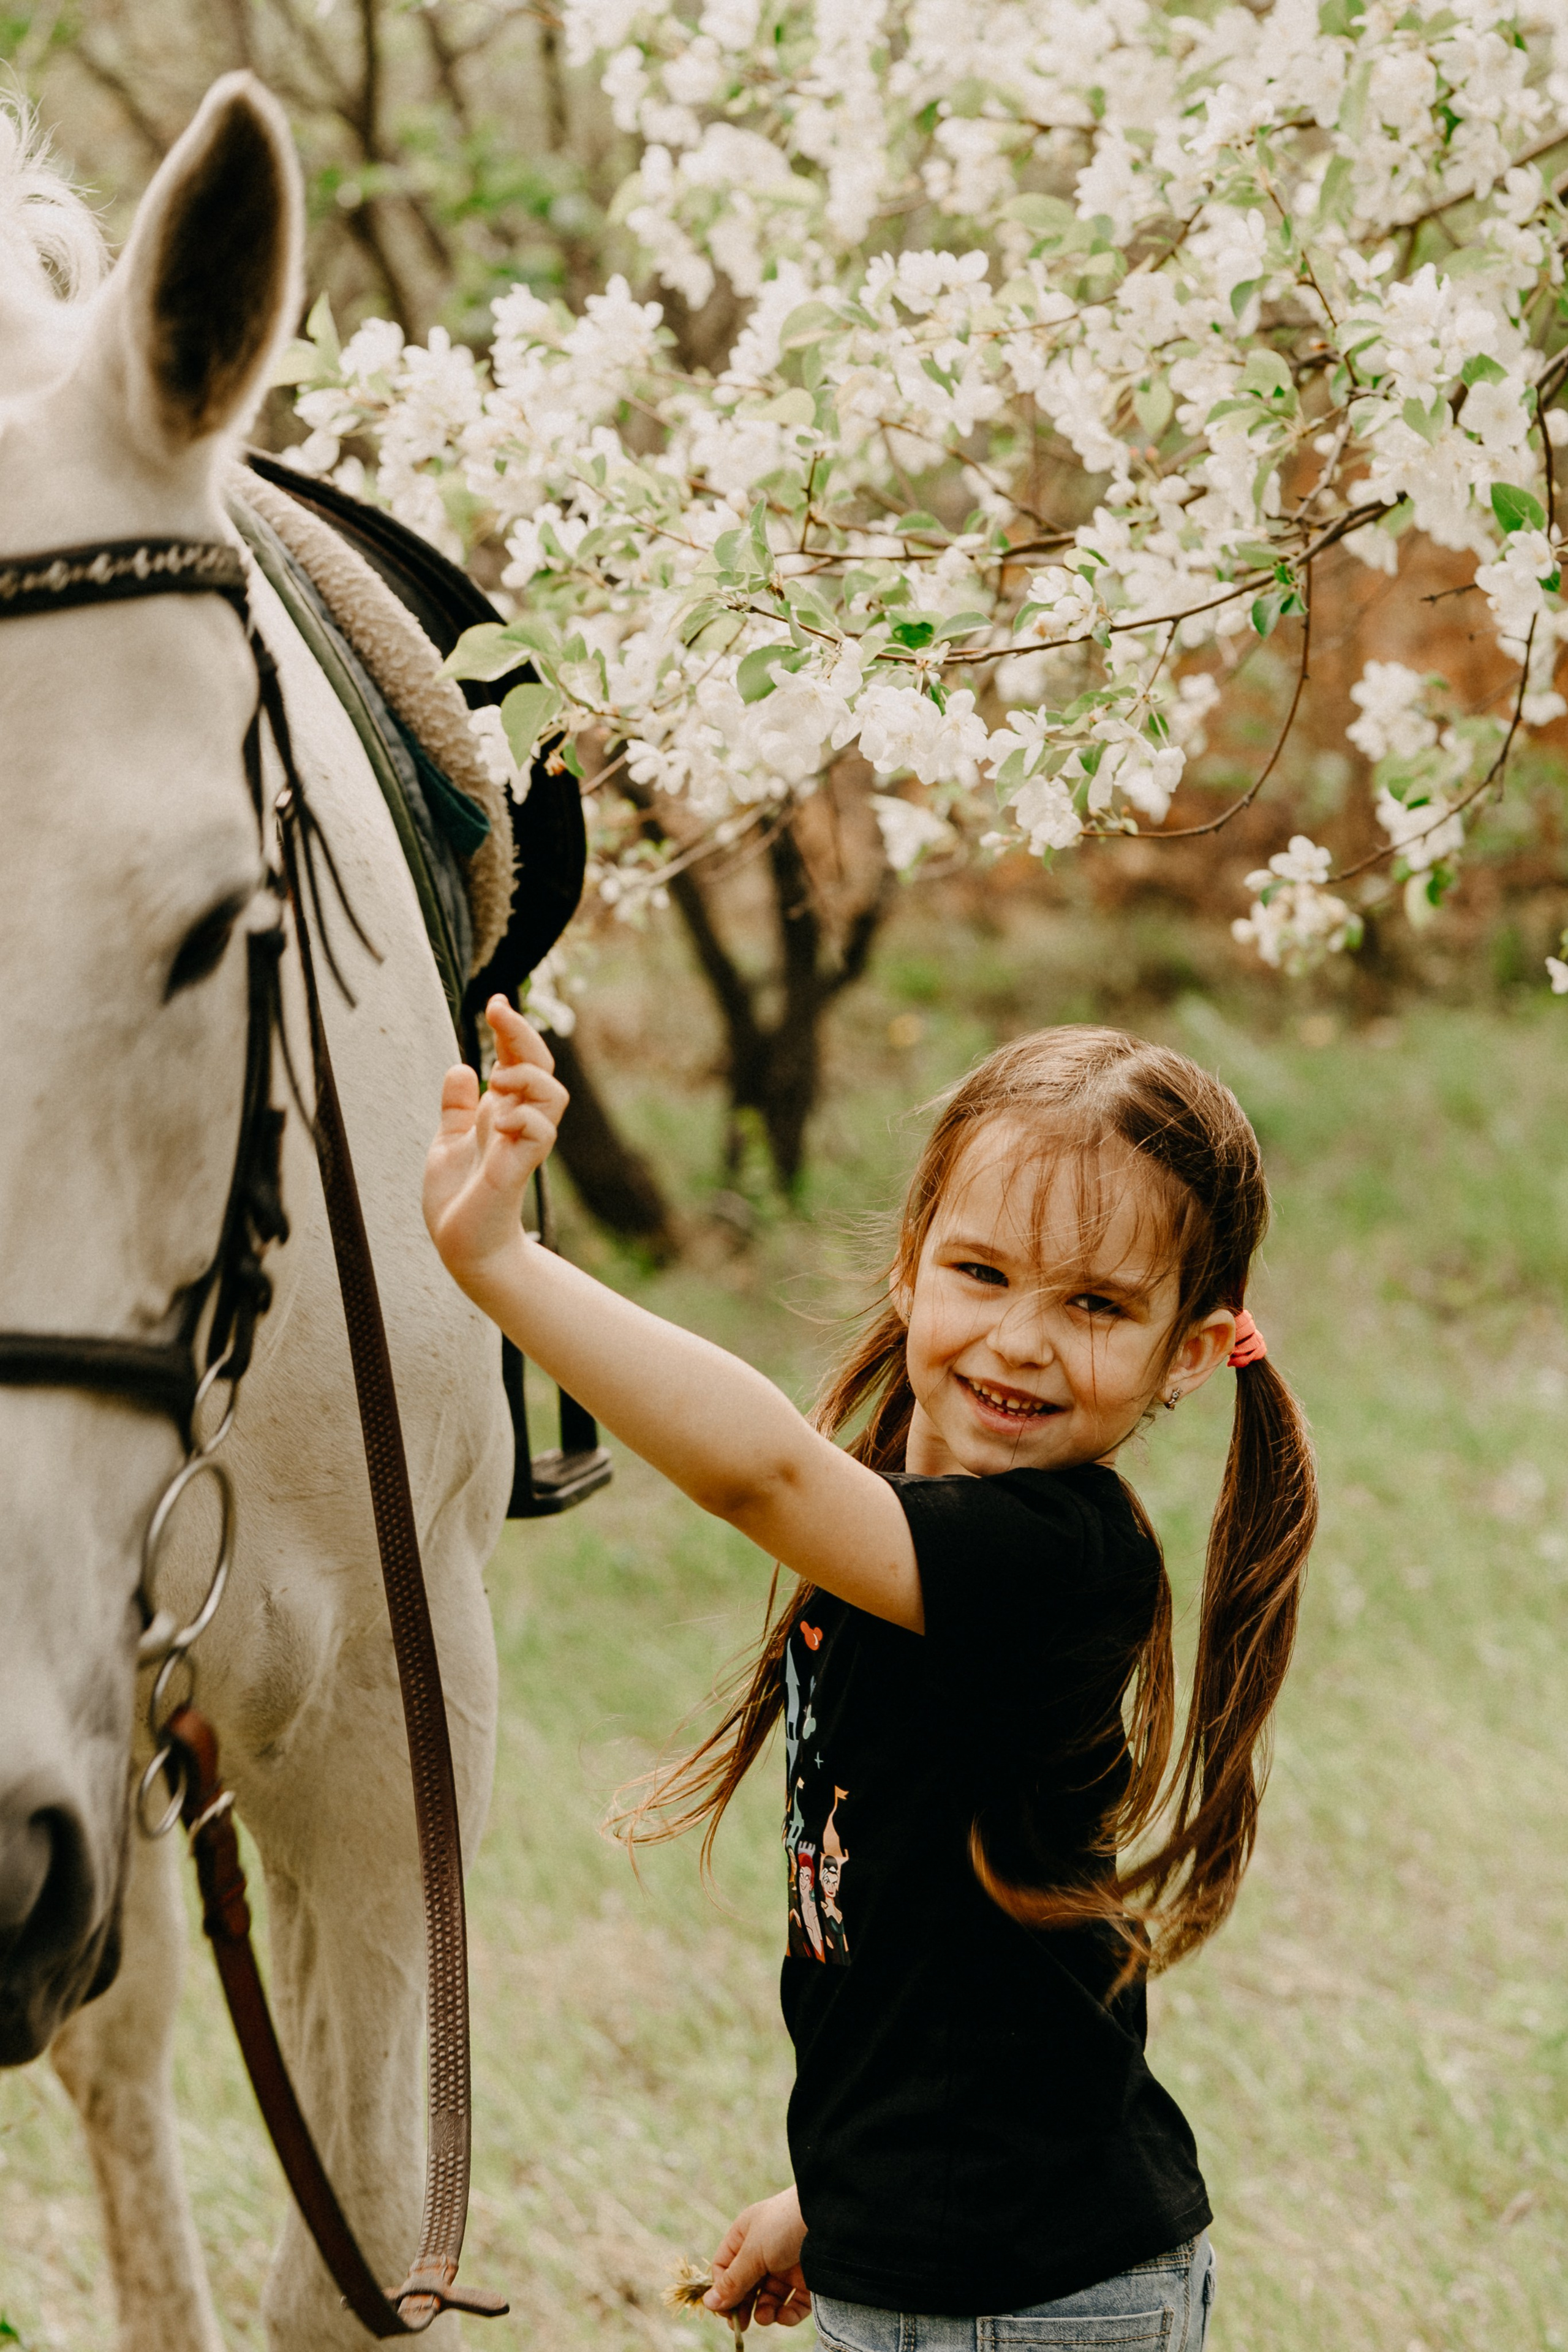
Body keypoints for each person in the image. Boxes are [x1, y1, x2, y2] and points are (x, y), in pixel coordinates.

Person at [423, 1002, 1318, 2352]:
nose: (1019, 1339)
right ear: (910, 1269)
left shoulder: (1054, 1558)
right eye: (980, 1272)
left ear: (1184, 1353)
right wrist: (833, 2201)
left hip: (1045, 2300)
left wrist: (498, 1260)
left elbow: (761, 1469)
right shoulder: (911, 1529)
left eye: (1092, 1304)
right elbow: (941, 1985)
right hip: (919, 2259)